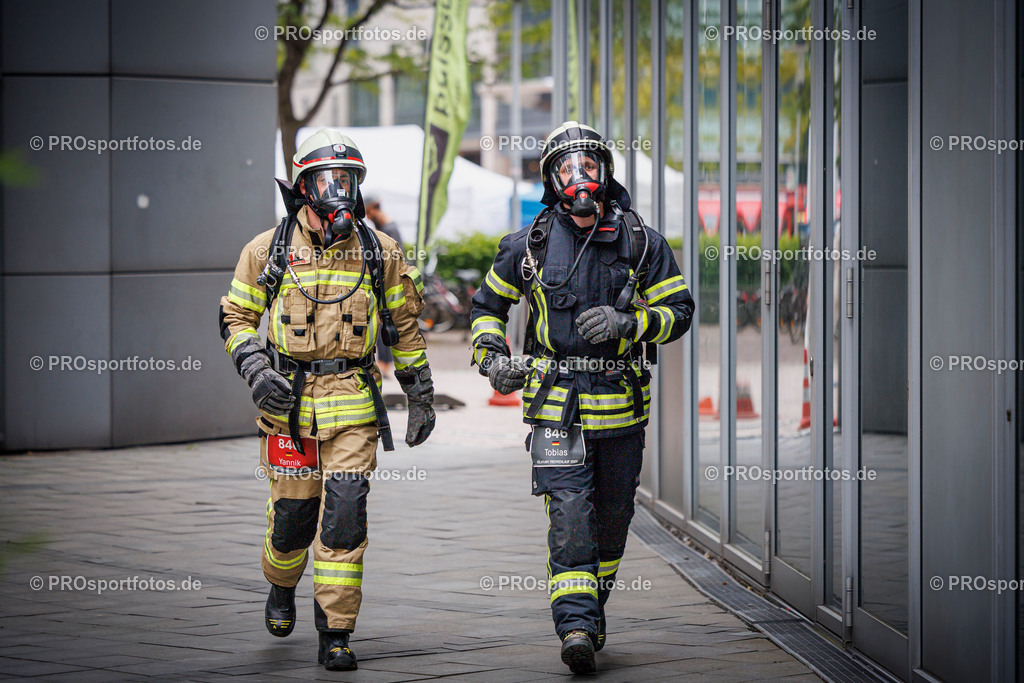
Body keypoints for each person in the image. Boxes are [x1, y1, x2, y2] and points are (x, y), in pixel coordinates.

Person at [470, 121, 694, 674]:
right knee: (570, 516)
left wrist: (632, 320)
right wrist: (493, 358)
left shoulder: (643, 244)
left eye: (588, 166)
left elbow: (680, 313)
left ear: (606, 172)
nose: (579, 178)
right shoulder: (528, 246)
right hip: (554, 411)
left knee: (612, 524)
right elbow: (485, 311)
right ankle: (575, 627)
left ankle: (591, 613)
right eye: (567, 168)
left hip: (621, 413)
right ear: (551, 179)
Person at [219, 128, 435, 672]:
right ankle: (280, 583)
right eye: (327, 179)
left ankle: (335, 632)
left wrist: (421, 394)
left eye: (347, 179)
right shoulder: (266, 251)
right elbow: (235, 317)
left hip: (354, 406)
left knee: (344, 518)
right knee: (292, 518)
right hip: (286, 406)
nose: (338, 190)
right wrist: (253, 365)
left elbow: (404, 328)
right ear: (303, 187)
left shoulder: (378, 251)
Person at [363, 195, 404, 376]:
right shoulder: (386, 226)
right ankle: (385, 363)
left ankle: (385, 364)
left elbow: (393, 259)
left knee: (384, 321)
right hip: (387, 280)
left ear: (372, 209)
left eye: (367, 212)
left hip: (391, 281)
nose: (366, 216)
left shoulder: (389, 229)